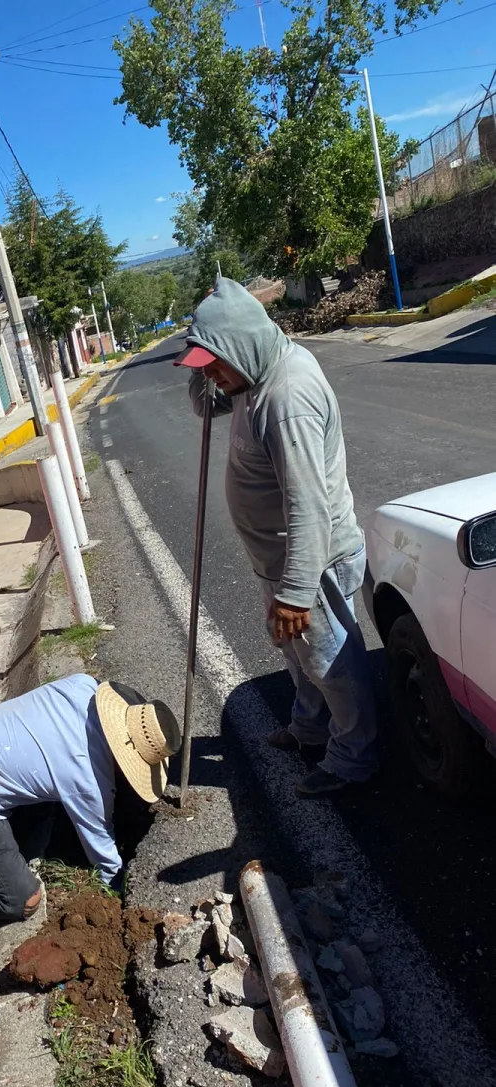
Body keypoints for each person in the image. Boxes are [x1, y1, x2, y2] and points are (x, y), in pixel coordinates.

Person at [176, 278, 377, 797]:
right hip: (278, 558)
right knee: (297, 653)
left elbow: (308, 505)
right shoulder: (252, 374)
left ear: (242, 346)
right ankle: (310, 728)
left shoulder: (286, 398)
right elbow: (206, 407)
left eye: (217, 365)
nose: (216, 379)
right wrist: (203, 365)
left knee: (331, 662)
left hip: (309, 561)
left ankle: (354, 758)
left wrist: (294, 592)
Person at [0, 674, 180, 960]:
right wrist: (117, 889)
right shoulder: (86, 774)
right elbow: (102, 849)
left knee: (43, 821)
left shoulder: (83, 686)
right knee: (21, 899)